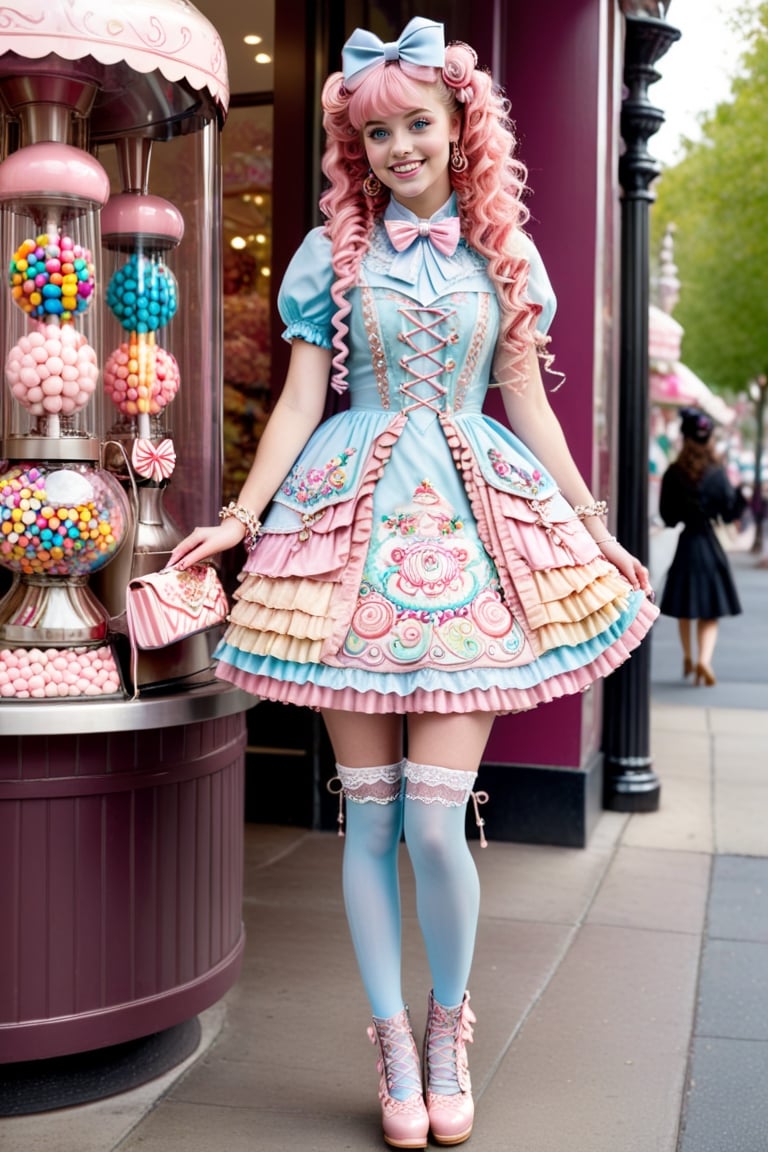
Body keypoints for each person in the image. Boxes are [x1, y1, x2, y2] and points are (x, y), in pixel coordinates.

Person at [169, 17, 656, 1149]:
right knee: (370, 823)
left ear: (458, 127)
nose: (397, 146)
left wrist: (593, 524)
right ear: (359, 143)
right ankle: (389, 1039)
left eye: (416, 123)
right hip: (347, 524)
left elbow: (525, 397)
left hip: (476, 525)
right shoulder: (329, 254)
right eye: (376, 130)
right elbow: (298, 401)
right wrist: (240, 519)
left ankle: (449, 1027)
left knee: (438, 831)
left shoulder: (508, 253)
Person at [658, 407, 744, 686]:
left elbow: (668, 517)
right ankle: (705, 660)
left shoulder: (673, 473)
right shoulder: (717, 474)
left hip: (686, 547)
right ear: (708, 440)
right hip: (709, 546)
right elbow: (729, 513)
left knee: (686, 607)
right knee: (710, 610)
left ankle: (688, 657)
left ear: (684, 438)